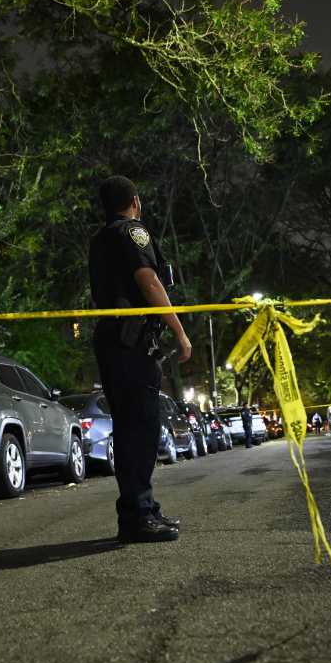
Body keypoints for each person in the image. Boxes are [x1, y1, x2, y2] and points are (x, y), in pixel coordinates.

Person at [89, 176, 192, 544]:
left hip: (112, 340)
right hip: (132, 342)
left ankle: (140, 511)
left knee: (129, 428)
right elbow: (149, 281)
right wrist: (179, 331)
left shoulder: (99, 239)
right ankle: (139, 516)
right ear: (135, 200)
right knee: (142, 430)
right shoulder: (133, 232)